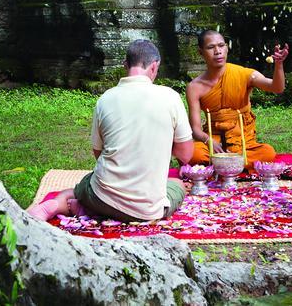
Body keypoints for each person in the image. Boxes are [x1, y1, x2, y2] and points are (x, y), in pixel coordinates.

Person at [26, 39, 194, 222]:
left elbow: (98, 153)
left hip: (101, 197)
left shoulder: (105, 99)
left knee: (79, 188)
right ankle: (84, 209)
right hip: (145, 210)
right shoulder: (170, 97)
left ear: (125, 65)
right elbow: (185, 155)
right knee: (176, 184)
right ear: (154, 67)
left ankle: (59, 204)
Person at [186, 29, 289, 170]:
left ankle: (222, 165)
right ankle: (234, 163)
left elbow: (277, 88)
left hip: (243, 139)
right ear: (201, 52)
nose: (217, 51)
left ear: (227, 48)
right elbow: (196, 129)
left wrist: (278, 65)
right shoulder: (194, 87)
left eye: (221, 46)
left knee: (267, 153)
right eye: (211, 47)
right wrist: (209, 141)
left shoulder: (244, 74)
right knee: (192, 154)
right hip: (214, 140)